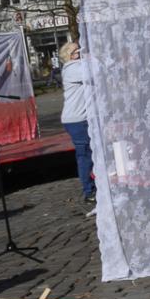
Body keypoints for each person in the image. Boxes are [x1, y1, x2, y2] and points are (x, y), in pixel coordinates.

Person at [59, 39, 95, 204]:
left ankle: (93, 187)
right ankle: (89, 191)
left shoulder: (78, 66)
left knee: (90, 153)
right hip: (77, 120)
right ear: (70, 56)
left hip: (82, 118)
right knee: (85, 156)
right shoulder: (72, 69)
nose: (80, 52)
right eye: (77, 51)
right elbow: (94, 71)